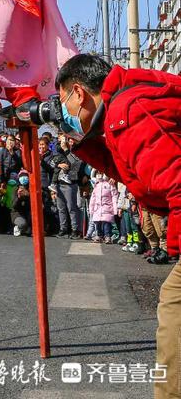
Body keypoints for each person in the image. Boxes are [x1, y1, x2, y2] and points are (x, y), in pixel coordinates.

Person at [56, 53, 181, 397]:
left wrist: (176, 247)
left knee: (175, 303)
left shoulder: (129, 109)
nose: (64, 110)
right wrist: (83, 144)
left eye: (63, 99)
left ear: (78, 92)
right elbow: (134, 168)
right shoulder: (126, 104)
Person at [52, 135, 83, 239]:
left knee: (72, 208)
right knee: (61, 208)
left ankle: (75, 230)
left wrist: (66, 149)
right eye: (66, 141)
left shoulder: (76, 152)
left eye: (70, 141)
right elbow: (51, 163)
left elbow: (75, 163)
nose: (68, 143)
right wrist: (58, 165)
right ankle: (63, 229)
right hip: (59, 184)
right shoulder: (58, 153)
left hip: (70, 184)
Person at [11, 170, 31, 237]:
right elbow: (13, 206)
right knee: (22, 224)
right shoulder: (15, 189)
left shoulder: (31, 189)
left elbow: (30, 205)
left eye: (26, 177)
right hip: (17, 213)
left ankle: (26, 228)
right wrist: (19, 198)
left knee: (29, 230)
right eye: (22, 177)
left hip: (27, 213)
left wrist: (28, 196)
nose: (24, 179)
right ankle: (18, 227)